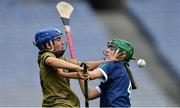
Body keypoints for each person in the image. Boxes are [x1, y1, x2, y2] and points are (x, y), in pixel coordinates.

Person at [33, 27, 108, 107]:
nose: (62, 42)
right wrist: (77, 68)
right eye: (58, 40)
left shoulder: (61, 59)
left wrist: (108, 63)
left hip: (68, 103)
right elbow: (50, 61)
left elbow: (85, 65)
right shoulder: (45, 55)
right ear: (48, 45)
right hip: (57, 104)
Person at [79, 38, 137, 107]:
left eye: (112, 49)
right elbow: (89, 94)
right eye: (108, 48)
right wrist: (79, 71)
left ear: (122, 55)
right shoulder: (121, 71)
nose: (107, 50)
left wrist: (75, 68)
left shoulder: (112, 64)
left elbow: (90, 75)